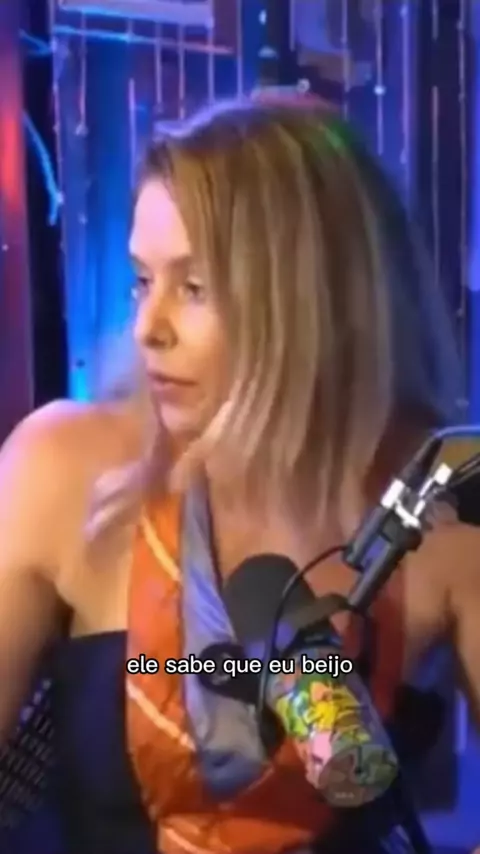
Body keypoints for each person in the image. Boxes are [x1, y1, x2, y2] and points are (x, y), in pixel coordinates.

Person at [0, 95, 478, 854]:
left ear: (309, 301)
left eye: (193, 288)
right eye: (141, 280)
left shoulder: (442, 502)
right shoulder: (59, 465)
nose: (148, 328)